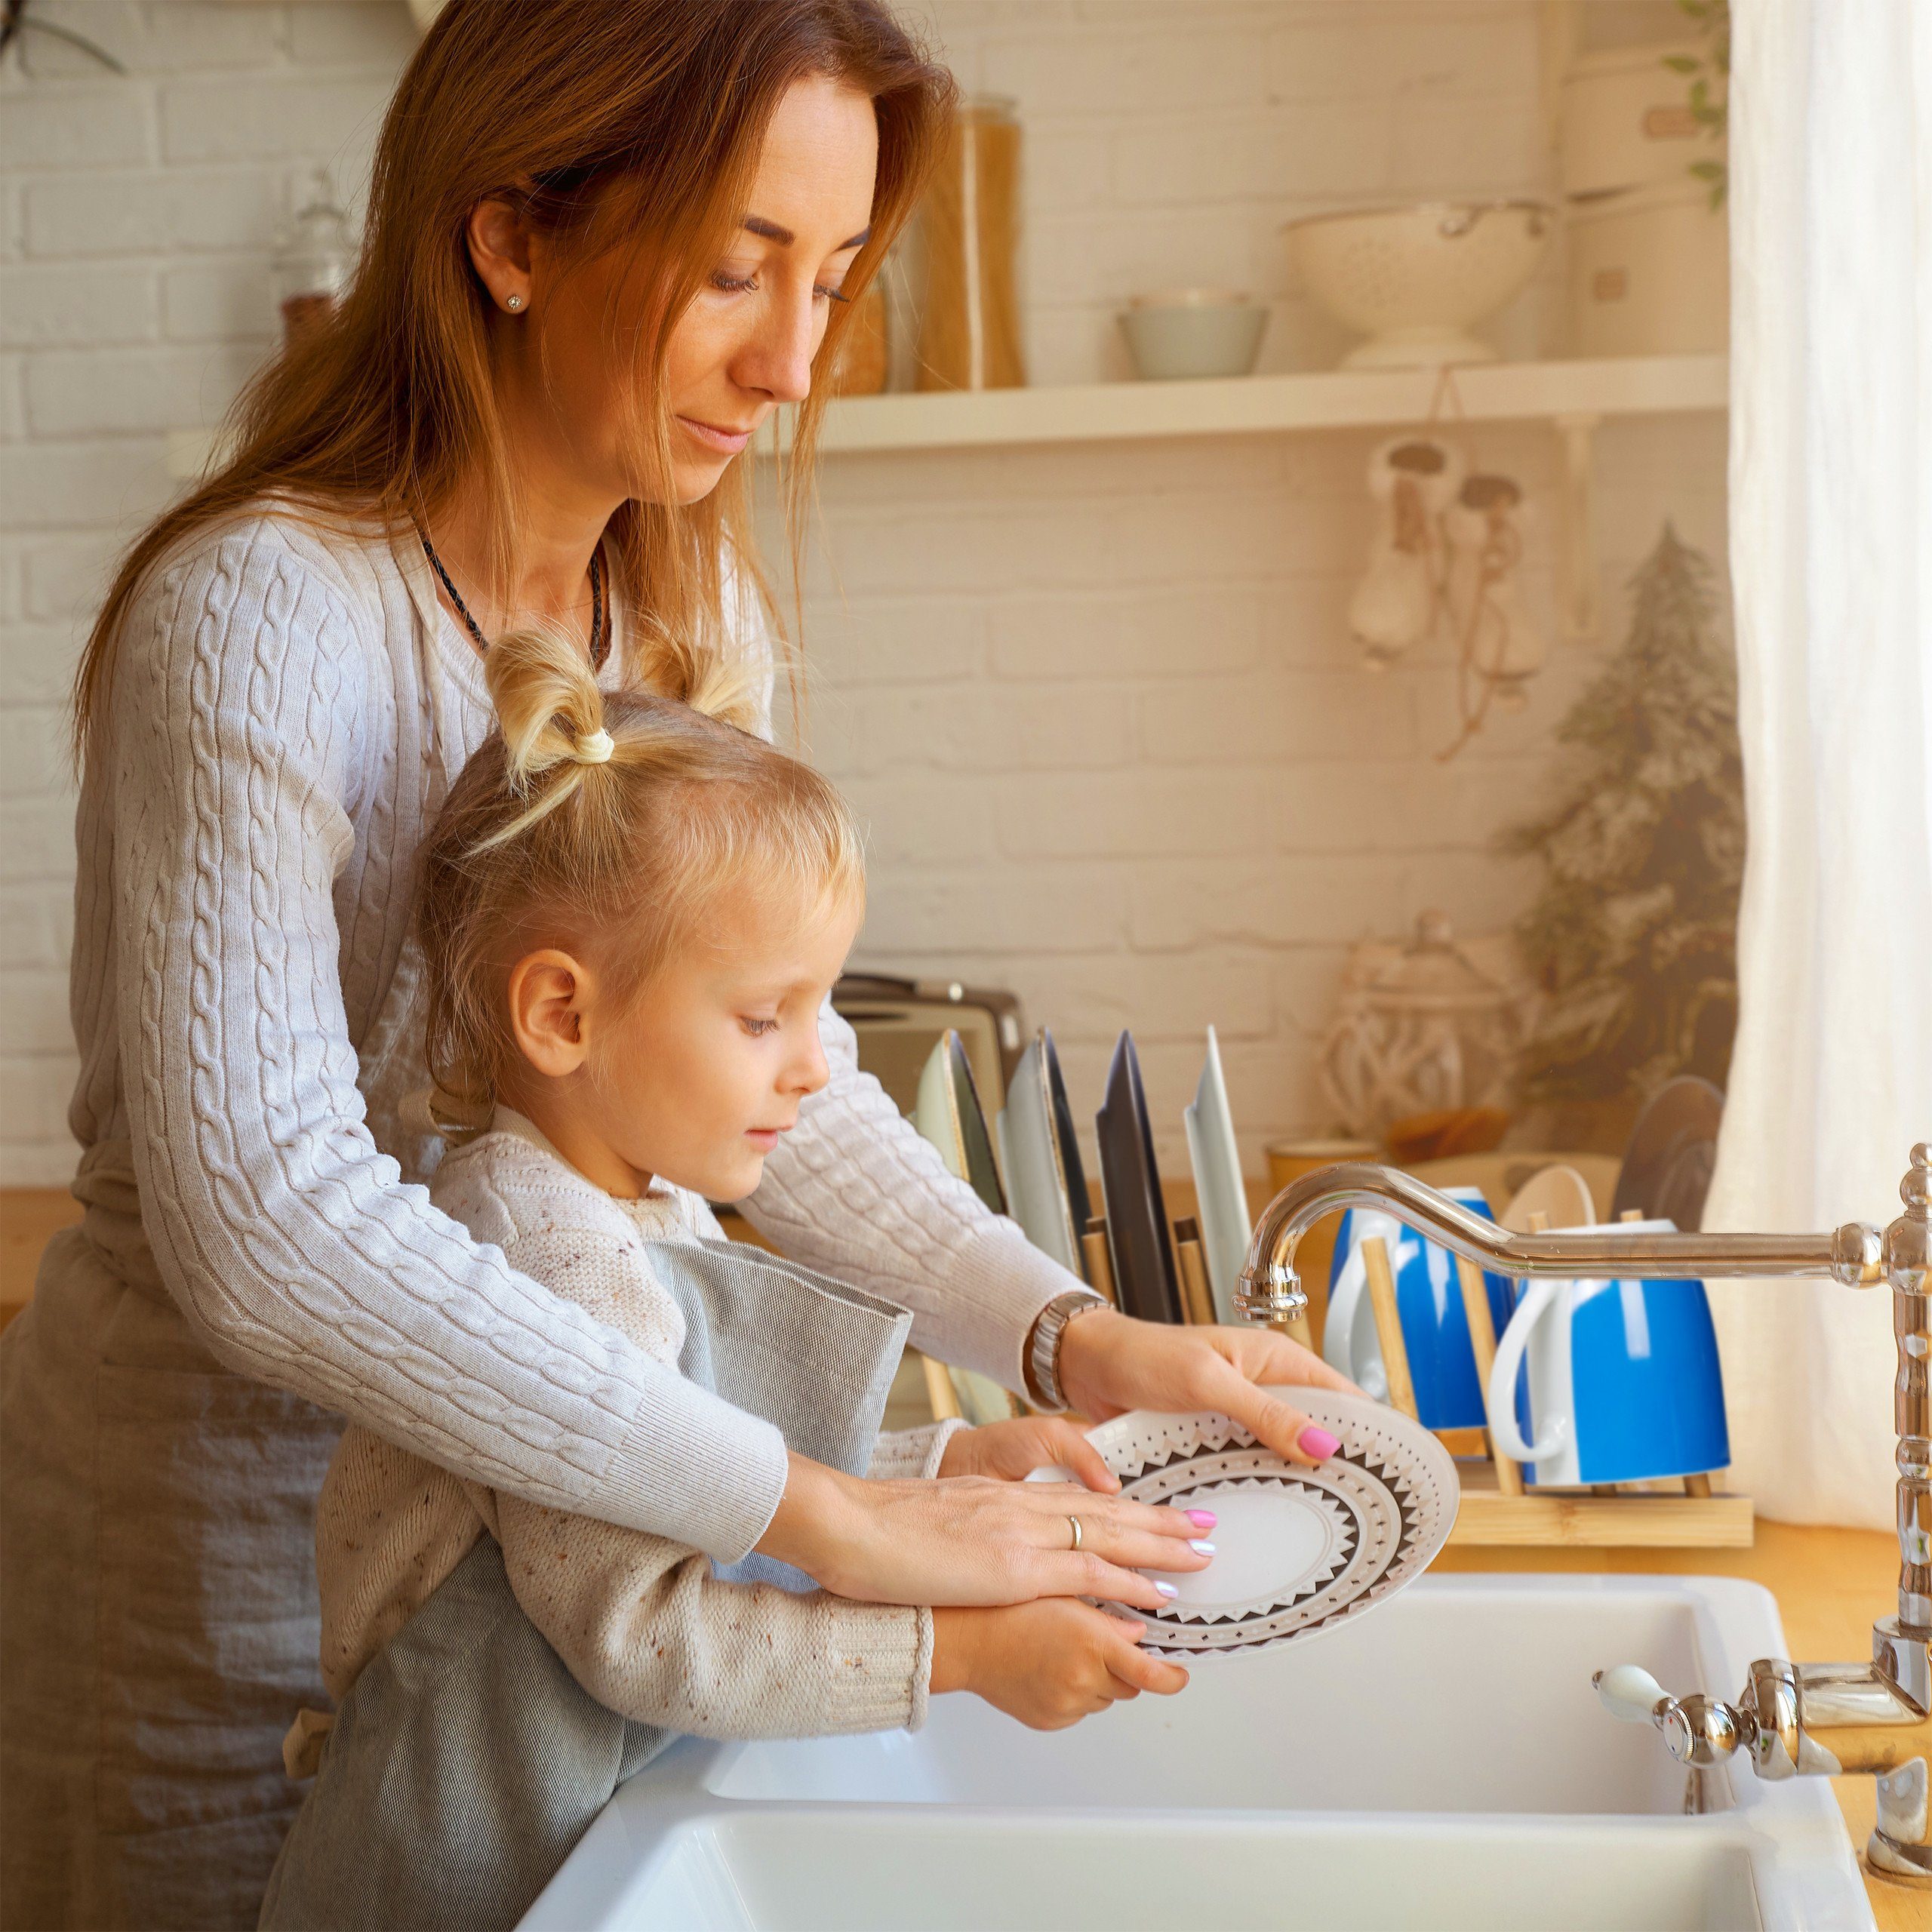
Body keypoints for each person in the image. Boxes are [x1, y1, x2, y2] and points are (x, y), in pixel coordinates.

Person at [0, 5, 1349, 1925]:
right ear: (511, 233)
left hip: (554, 1578)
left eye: (829, 276)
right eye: (736, 269)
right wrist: (831, 1514)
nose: (794, 361)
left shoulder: (682, 605)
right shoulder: (258, 617)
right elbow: (272, 1222)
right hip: (209, 1593)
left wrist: (1064, 1331)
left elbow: (754, 1071)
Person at [257, 623, 1201, 1930]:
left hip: (576, 1841)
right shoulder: (552, 1254)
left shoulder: (647, 1201)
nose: (817, 1067)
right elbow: (651, 1632)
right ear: (562, 1017)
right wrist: (968, 1655)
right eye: (766, 1018)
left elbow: (701, 1481)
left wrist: (934, 1471)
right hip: (457, 1871)